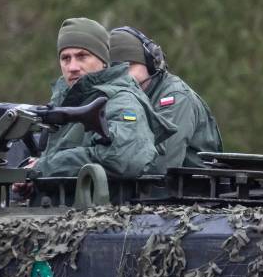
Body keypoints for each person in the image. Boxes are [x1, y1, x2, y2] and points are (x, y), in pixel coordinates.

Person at [31, 18, 171, 179]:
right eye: (66, 58)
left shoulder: (121, 101)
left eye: (82, 56)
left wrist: (44, 168)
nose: (72, 67)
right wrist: (30, 175)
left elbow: (124, 157)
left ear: (103, 60)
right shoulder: (62, 100)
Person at [109, 26, 222, 169]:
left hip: (190, 183)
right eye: (115, 70)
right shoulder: (124, 99)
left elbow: (161, 165)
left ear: (150, 63)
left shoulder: (175, 97)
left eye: (129, 66)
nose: (124, 76)